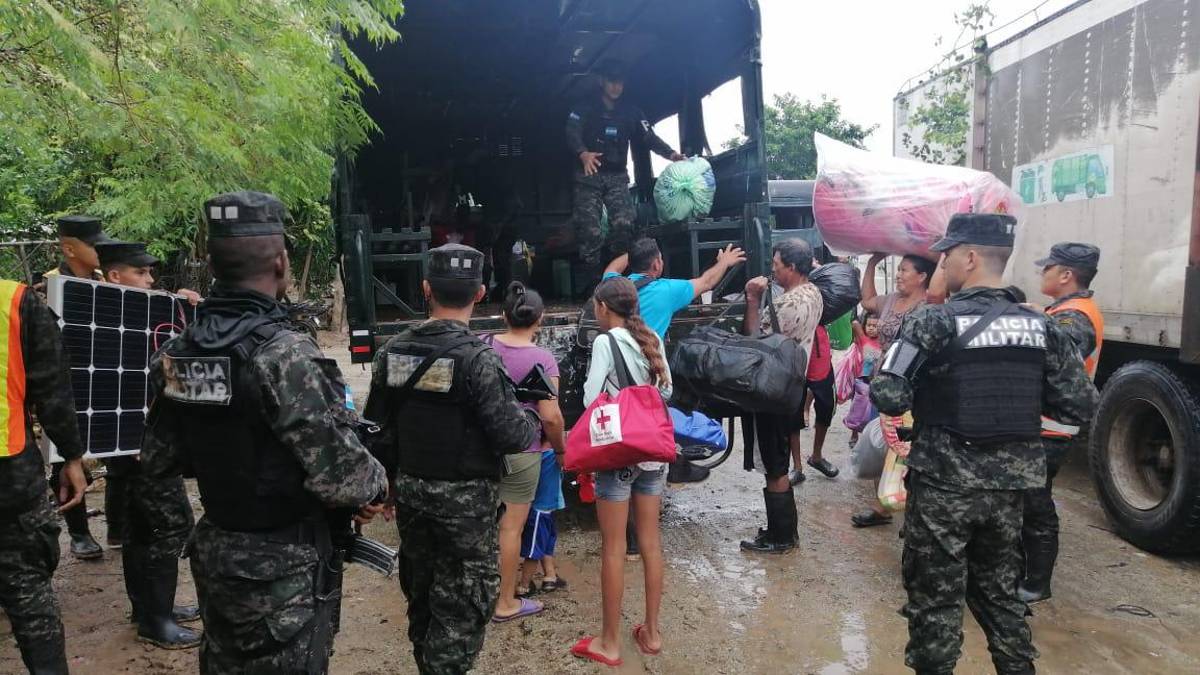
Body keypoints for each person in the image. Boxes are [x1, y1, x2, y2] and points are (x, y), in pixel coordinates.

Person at [131, 191, 389, 673]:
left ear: (211, 263)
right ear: (281, 261)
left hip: (217, 552)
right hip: (283, 566)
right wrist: (374, 480)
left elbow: (160, 459)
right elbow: (347, 480)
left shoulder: (179, 351)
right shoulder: (285, 355)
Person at [870, 213, 1099, 675]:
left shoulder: (934, 322)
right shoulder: (1044, 327)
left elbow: (889, 393)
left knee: (936, 602)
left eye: (947, 255)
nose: (942, 265)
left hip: (944, 488)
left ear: (969, 257)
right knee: (1000, 596)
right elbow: (1080, 406)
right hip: (1010, 491)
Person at [364, 243, 541, 675]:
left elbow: (376, 429)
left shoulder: (394, 351)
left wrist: (384, 484)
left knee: (422, 591)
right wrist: (526, 410)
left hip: (412, 494)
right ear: (480, 293)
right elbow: (511, 435)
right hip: (465, 503)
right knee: (462, 604)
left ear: (426, 288)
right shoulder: (479, 360)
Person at [95, 240, 203, 649]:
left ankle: (151, 609)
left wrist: (183, 307)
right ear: (115, 277)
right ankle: (156, 620)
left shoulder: (130, 316)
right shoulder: (102, 324)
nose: (151, 280)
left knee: (142, 528)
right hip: (137, 445)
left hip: (134, 441)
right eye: (141, 274)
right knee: (167, 526)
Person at [570, 276, 672, 667]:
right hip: (653, 455)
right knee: (650, 542)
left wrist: (615, 398)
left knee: (613, 547)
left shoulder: (604, 341)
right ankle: (652, 632)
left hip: (619, 457)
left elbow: (590, 397)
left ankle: (609, 643)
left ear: (603, 308)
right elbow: (666, 393)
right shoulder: (653, 338)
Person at [0, 278, 88, 673]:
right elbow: (52, 388)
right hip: (9, 473)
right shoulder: (14, 299)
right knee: (28, 589)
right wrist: (71, 455)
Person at [1019, 242, 1104, 604]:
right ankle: (1025, 571)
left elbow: (1055, 358)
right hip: (1044, 423)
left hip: (1053, 426)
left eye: (1047, 268)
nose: (1043, 274)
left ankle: (1038, 583)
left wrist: (1039, 320)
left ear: (1066, 274)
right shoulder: (1065, 311)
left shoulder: (1075, 317)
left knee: (1036, 503)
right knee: (1027, 500)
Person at [487, 282, 566, 623]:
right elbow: (550, 415)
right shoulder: (543, 359)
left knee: (480, 524)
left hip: (481, 448)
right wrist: (559, 449)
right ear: (541, 319)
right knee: (510, 529)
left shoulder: (483, 346)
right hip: (524, 450)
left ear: (503, 315)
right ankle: (506, 602)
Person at [739, 238, 823, 554]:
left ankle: (782, 537)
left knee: (775, 464)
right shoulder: (813, 293)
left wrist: (751, 298)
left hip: (773, 388)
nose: (772, 268)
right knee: (779, 456)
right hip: (793, 387)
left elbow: (753, 340)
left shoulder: (787, 304)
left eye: (776, 264)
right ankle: (780, 531)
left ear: (791, 267)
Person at [567, 59, 684, 279]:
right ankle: (591, 286)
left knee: (623, 225)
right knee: (589, 231)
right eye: (611, 81)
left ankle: (616, 280)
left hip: (616, 175)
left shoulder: (632, 112)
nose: (615, 86)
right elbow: (571, 131)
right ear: (602, 81)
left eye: (619, 81)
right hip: (589, 174)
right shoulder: (585, 107)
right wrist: (583, 153)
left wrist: (671, 154)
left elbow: (648, 137)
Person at [851, 252, 935, 528]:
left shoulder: (930, 304)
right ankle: (883, 504)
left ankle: (910, 507)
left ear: (922, 277)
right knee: (882, 443)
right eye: (898, 269)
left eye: (905, 270)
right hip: (884, 384)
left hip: (914, 388)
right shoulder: (889, 301)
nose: (899, 275)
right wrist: (873, 262)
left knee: (908, 447)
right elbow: (866, 301)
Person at [42, 214, 107, 561]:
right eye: (93, 245)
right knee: (65, 456)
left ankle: (121, 528)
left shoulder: (105, 282)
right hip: (65, 381)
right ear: (69, 248)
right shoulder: (50, 288)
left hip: (103, 377)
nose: (101, 250)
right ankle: (79, 532)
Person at [602, 237, 747, 338]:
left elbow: (611, 268)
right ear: (657, 264)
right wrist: (725, 262)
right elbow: (707, 282)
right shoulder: (666, 291)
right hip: (647, 368)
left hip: (618, 367)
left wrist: (638, 251)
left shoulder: (613, 285)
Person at [788, 324, 839, 485]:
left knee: (826, 408)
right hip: (794, 356)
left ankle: (816, 457)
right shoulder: (785, 301)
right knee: (792, 414)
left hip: (821, 358)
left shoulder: (824, 302)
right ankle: (797, 467)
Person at [519, 449, 567, 596]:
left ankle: (549, 577)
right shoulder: (554, 454)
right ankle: (524, 586)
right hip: (540, 510)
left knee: (546, 544)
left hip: (545, 509)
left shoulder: (534, 454)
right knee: (534, 550)